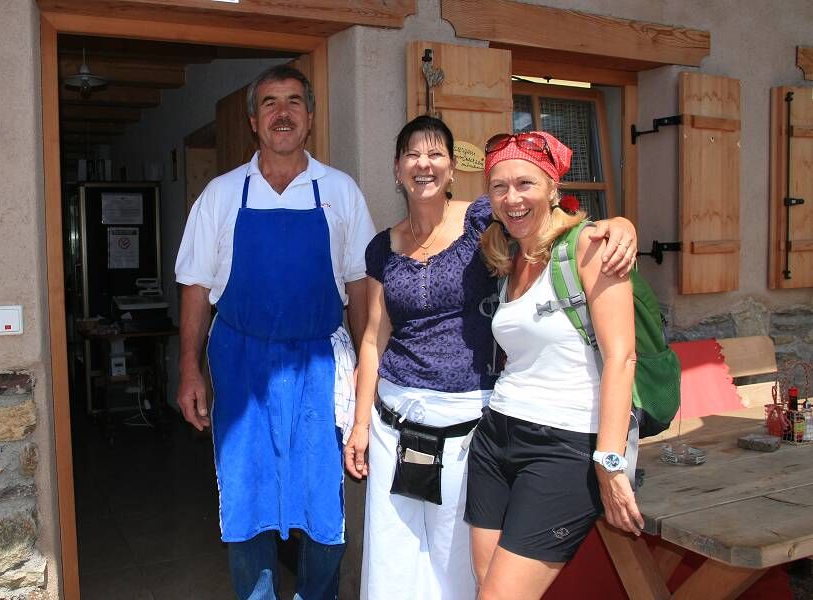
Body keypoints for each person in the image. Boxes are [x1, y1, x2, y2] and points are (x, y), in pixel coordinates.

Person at [344, 117, 638, 600]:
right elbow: (374, 338)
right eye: (412, 155)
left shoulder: (484, 220)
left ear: (452, 168)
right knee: (395, 555)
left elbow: (556, 222)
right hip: (399, 420)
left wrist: (620, 225)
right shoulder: (386, 246)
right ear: (396, 169)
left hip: (471, 421)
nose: (423, 164)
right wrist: (360, 423)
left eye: (435, 154)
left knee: (459, 567)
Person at [174, 64, 375, 600]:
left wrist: (366, 368)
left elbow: (359, 284)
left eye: (293, 102)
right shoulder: (221, 194)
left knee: (324, 503)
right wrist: (189, 368)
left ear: (309, 117)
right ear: (253, 120)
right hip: (241, 365)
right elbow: (194, 285)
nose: (282, 113)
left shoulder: (340, 191)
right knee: (247, 500)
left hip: (320, 365)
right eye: (269, 103)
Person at [465, 131, 643, 600]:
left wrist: (610, 461)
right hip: (496, 435)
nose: (512, 198)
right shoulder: (508, 255)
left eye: (525, 183)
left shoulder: (588, 246)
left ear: (552, 187)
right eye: (499, 187)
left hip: (564, 446)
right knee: (484, 582)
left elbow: (622, 357)